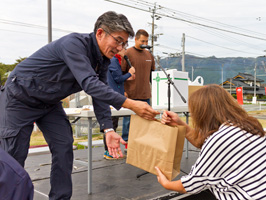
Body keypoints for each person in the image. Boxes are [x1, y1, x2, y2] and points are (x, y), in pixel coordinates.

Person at [0, 11, 159, 200]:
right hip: (20, 97)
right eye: (118, 40)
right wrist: (131, 104)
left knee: (64, 146)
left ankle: (60, 198)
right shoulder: (74, 44)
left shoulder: (103, 60)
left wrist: (108, 129)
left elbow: (99, 92)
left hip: (49, 103)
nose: (120, 47)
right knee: (13, 157)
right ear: (100, 33)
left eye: (124, 43)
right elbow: (89, 83)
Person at [155, 84, 266, 200]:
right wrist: (181, 124)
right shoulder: (247, 125)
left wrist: (166, 183)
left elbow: (192, 184)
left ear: (204, 113)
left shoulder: (220, 139)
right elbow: (203, 142)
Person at [121, 29, 155, 149]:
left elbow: (152, 74)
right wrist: (122, 91)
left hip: (145, 93)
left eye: (146, 41)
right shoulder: (127, 53)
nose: (144, 43)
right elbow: (121, 73)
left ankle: (143, 143)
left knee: (147, 120)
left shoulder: (149, 55)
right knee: (128, 121)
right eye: (142, 41)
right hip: (130, 93)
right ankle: (126, 143)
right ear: (135, 39)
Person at [104, 48, 135, 159]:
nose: (125, 51)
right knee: (111, 124)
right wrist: (129, 74)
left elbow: (115, 78)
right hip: (112, 97)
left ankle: (110, 151)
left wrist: (127, 80)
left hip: (116, 95)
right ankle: (108, 152)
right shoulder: (113, 60)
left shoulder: (116, 60)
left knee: (114, 123)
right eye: (124, 48)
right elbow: (117, 78)